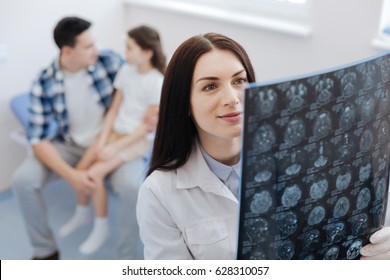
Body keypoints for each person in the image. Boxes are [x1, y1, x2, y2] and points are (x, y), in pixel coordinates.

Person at [136, 32, 390, 260]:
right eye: (210, 86)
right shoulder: (159, 193)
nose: (233, 98)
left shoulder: (304, 160)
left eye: (239, 81)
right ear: (184, 103)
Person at [12, 16, 144, 260]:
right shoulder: (45, 81)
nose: (97, 50)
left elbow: (139, 90)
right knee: (22, 180)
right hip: (69, 145)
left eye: (95, 43)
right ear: (67, 51)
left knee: (132, 187)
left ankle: (127, 260)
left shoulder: (109, 61)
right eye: (88, 46)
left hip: (112, 142)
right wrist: (71, 176)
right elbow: (37, 139)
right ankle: (45, 251)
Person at [58, 25, 165, 255]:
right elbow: (114, 109)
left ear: (147, 53)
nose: (124, 51)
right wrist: (103, 140)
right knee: (81, 167)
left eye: (129, 47)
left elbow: (145, 128)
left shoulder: (157, 82)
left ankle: (101, 226)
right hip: (114, 131)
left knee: (92, 175)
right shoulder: (126, 71)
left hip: (135, 140)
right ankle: (82, 212)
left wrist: (114, 148)